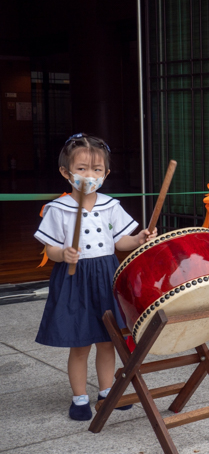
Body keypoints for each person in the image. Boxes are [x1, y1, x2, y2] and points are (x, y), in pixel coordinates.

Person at [34, 133, 156, 421]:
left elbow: (119, 242)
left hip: (106, 275)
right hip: (74, 279)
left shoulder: (110, 205)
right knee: (80, 342)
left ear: (106, 173)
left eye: (96, 170)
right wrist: (63, 254)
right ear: (66, 172)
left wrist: (138, 239)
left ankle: (106, 391)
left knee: (108, 339)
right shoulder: (58, 208)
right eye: (81, 169)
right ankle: (79, 398)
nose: (89, 175)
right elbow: (49, 248)